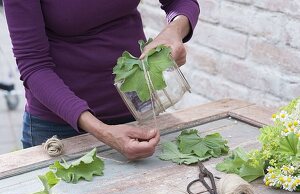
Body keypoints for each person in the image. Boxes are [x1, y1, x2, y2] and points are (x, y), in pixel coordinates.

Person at [3, 1, 200, 160]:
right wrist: (103, 132)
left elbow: (180, 2)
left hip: (139, 112)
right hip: (62, 127)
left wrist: (175, 29)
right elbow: (34, 65)